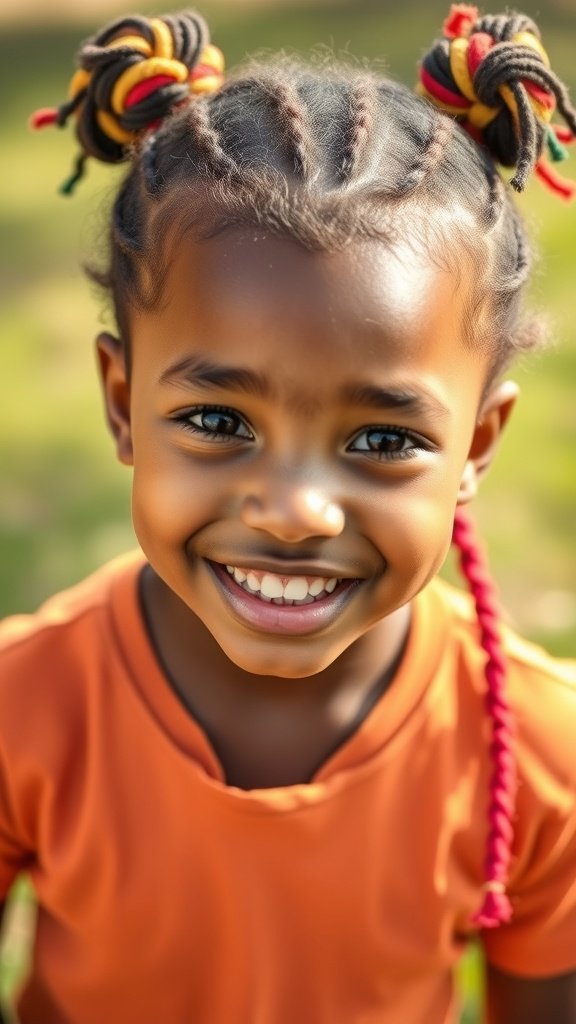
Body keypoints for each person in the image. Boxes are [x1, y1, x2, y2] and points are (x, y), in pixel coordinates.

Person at [1, 4, 575, 1021]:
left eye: (384, 439)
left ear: (478, 443)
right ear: (122, 401)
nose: (298, 512)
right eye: (218, 418)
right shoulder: (26, 709)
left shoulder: (533, 747)